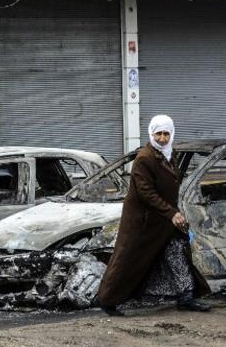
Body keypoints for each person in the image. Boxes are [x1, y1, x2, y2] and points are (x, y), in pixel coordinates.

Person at [94, 115, 210, 316]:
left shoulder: (169, 154)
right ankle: (107, 300)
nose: (163, 138)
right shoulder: (145, 158)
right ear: (151, 134)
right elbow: (145, 192)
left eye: (166, 134)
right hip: (144, 220)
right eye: (159, 134)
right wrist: (171, 212)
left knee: (177, 253)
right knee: (128, 260)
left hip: (163, 219)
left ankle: (186, 297)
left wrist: (172, 212)